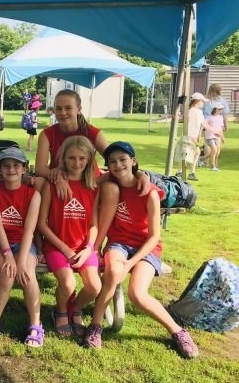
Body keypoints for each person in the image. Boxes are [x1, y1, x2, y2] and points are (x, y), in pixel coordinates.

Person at [87, 142, 199, 358]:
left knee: (137, 294)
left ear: (133, 161)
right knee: (112, 273)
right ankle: (95, 326)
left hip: (146, 248)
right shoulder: (109, 184)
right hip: (119, 243)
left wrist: (131, 262)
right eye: (112, 161)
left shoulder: (150, 193)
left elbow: (154, 236)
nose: (118, 165)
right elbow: (89, 179)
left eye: (123, 159)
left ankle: (178, 332)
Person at [0, 147, 43, 348]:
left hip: (24, 243)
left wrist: (22, 260)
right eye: (6, 166)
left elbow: (29, 231)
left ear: (24, 169)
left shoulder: (33, 195)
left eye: (16, 165)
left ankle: (35, 324)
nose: (11, 169)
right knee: (7, 274)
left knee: (27, 275)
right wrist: (8, 255)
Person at [35, 89, 150, 200]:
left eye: (68, 108)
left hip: (88, 182)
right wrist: (58, 177)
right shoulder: (47, 134)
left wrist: (139, 173)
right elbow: (39, 169)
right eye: (58, 108)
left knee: (111, 188)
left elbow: (114, 159)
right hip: (62, 181)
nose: (63, 112)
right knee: (39, 182)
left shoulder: (92, 132)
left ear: (79, 109)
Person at [38, 136, 101, 337]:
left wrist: (89, 248)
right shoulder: (52, 184)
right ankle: (61, 311)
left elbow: (93, 225)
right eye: (72, 158)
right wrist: (65, 249)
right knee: (68, 283)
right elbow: (41, 224)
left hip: (83, 247)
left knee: (94, 286)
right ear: (63, 158)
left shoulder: (93, 187)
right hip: (57, 246)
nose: (77, 163)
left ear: (89, 159)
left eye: (82, 158)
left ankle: (75, 308)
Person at [175, 92, 219, 180]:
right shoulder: (194, 111)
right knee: (192, 153)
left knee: (189, 154)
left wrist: (213, 131)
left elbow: (203, 124)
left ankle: (181, 172)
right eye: (202, 101)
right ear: (198, 101)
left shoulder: (193, 111)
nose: (203, 103)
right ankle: (189, 173)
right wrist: (214, 131)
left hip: (190, 136)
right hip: (190, 136)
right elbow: (203, 124)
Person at [202, 103, 226, 172]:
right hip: (209, 136)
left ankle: (201, 159)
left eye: (221, 109)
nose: (220, 110)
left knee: (215, 152)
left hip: (217, 137)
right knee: (214, 151)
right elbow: (204, 126)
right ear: (215, 109)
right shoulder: (209, 118)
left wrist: (222, 137)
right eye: (219, 109)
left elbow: (220, 128)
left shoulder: (220, 118)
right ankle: (212, 166)